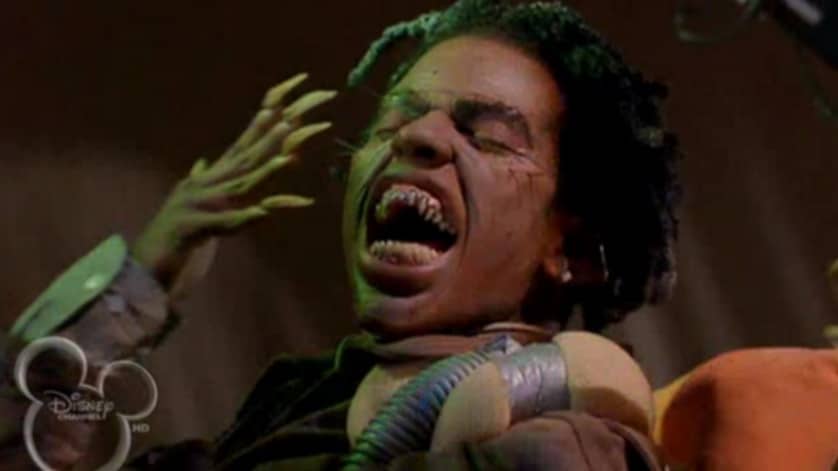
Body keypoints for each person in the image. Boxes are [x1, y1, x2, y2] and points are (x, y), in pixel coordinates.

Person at [0, 0, 681, 469]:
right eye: (392, 122)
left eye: (488, 137)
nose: (417, 136)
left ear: (570, 248)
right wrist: (127, 297)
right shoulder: (280, 414)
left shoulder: (572, 443)